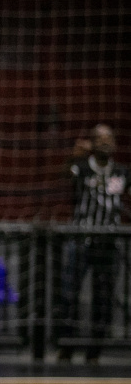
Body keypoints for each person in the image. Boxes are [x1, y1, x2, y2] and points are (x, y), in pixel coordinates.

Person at [57, 124, 127, 364]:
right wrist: (74, 156)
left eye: (110, 138)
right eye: (100, 138)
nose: (106, 142)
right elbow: (65, 175)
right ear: (92, 143)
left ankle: (94, 352)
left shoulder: (121, 172)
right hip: (81, 240)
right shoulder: (83, 167)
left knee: (104, 299)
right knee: (68, 295)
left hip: (108, 244)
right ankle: (66, 347)